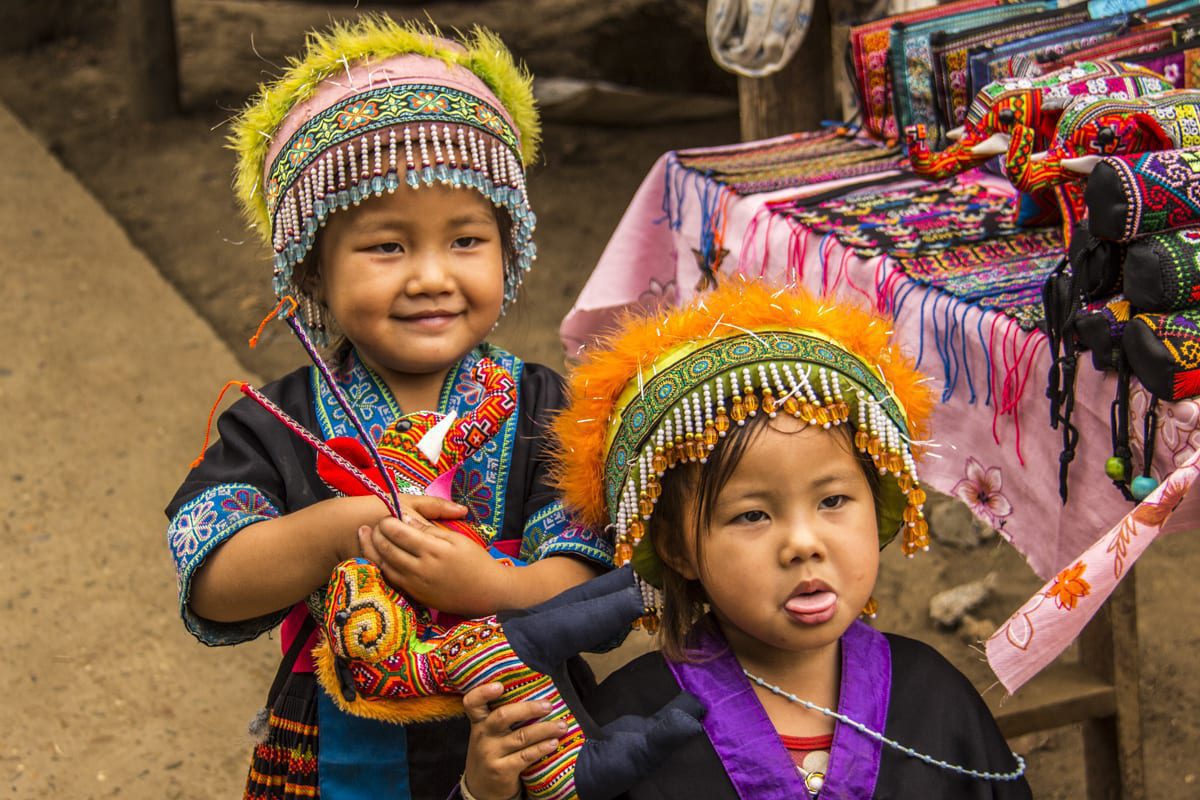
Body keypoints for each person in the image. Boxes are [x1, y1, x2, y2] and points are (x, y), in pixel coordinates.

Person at [164, 17, 611, 799]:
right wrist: (343, 528)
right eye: (387, 246)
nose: (432, 276)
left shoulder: (543, 404)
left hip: (522, 725)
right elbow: (212, 578)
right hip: (338, 742)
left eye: (466, 240)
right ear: (312, 272)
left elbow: (593, 582)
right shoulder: (278, 422)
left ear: (511, 249)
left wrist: (490, 587)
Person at [460, 278, 1033, 799]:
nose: (803, 543)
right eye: (753, 516)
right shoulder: (629, 719)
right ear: (677, 547)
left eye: (833, 501)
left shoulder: (932, 695)